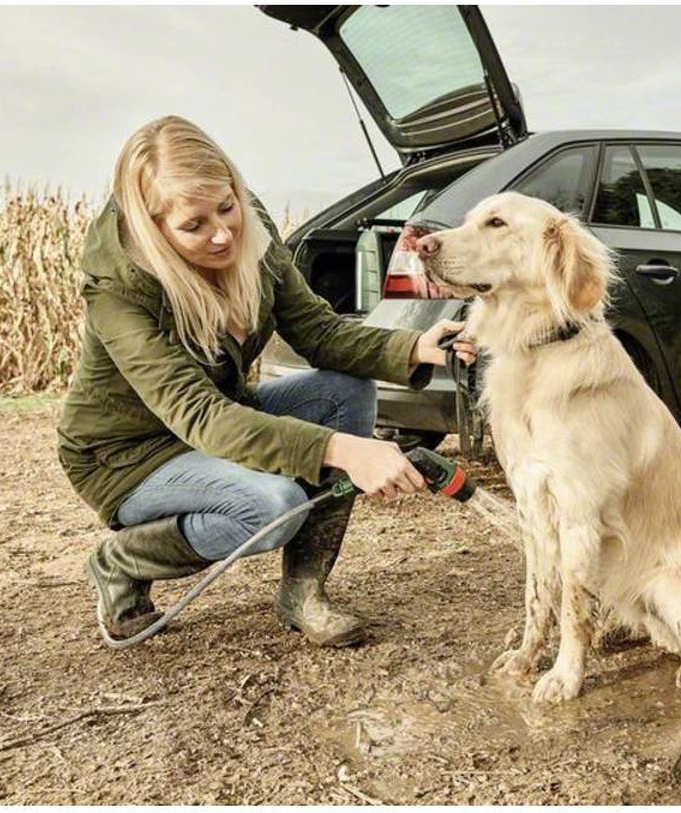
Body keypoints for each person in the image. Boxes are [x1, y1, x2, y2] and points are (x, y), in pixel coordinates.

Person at [57, 115, 476, 648]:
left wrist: (416, 347)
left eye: (227, 207)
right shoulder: (120, 294)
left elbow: (320, 332)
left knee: (347, 392)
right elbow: (203, 418)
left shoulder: (251, 234)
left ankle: (303, 594)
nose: (222, 233)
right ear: (152, 229)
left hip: (218, 415)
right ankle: (121, 560)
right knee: (270, 506)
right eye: (194, 225)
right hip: (128, 456)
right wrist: (347, 451)